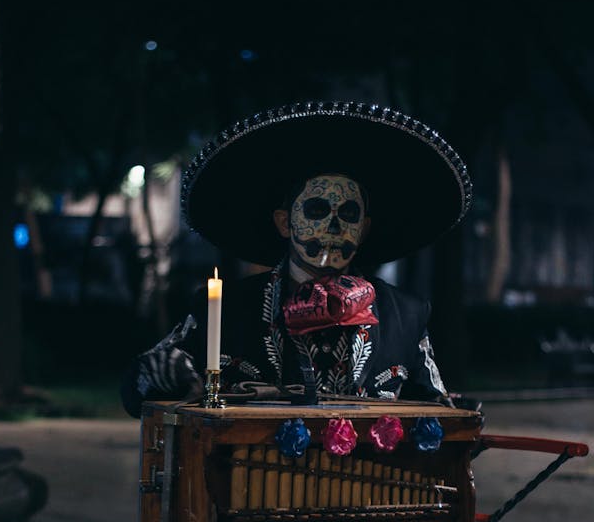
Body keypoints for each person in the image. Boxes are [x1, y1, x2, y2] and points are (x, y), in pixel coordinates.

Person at [120, 100, 472, 417]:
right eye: (317, 210)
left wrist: (458, 420)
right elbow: (138, 388)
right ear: (285, 223)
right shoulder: (225, 309)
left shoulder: (404, 316)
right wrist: (159, 371)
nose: (333, 226)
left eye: (348, 214)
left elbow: (438, 414)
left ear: (363, 229)